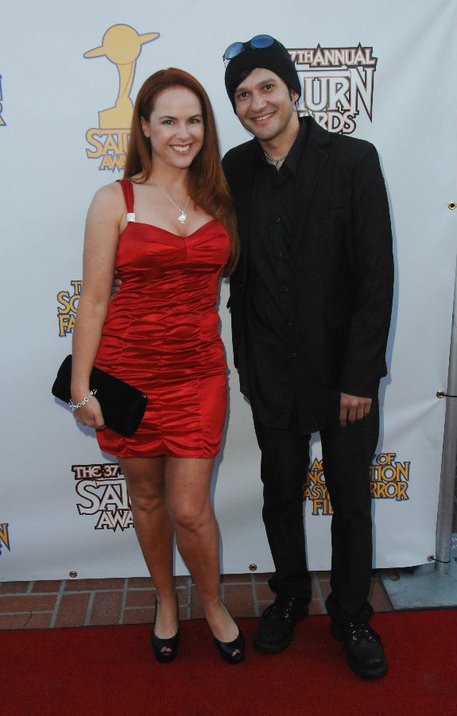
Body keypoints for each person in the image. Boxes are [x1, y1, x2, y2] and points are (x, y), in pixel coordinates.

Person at [222, 35, 394, 679]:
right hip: (269, 367)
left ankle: (351, 613)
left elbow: (376, 277)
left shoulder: (353, 160)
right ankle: (291, 596)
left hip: (342, 372)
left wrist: (359, 375)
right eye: (243, 94)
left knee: (350, 497)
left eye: (267, 87)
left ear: (293, 91)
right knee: (279, 491)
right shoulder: (233, 170)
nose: (256, 102)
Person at [70, 68, 244, 664]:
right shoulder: (112, 200)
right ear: (144, 126)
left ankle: (213, 602)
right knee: (146, 500)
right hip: (128, 376)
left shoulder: (222, 196)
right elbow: (93, 299)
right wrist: (80, 387)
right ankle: (165, 602)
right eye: (168, 120)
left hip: (198, 373)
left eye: (193, 120)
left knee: (190, 508)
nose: (182, 132)